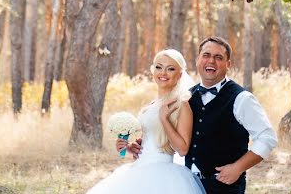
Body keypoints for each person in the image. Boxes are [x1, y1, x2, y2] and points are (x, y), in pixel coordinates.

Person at [86, 49, 205, 194]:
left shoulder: (181, 105)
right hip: (139, 168)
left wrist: (164, 119)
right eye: (158, 67)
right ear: (152, 70)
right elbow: (150, 141)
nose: (163, 73)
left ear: (179, 75)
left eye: (171, 69)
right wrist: (129, 147)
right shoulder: (151, 104)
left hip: (162, 172)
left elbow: (182, 149)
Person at [183, 36, 278, 194]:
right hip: (188, 185)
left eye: (218, 57)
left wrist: (238, 167)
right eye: (206, 55)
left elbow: (267, 137)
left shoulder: (241, 98)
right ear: (197, 59)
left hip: (225, 187)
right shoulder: (186, 97)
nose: (211, 61)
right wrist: (141, 145)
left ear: (228, 64)